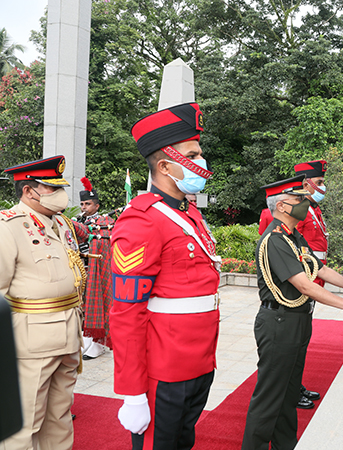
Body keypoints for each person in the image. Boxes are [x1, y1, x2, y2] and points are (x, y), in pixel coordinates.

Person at [242, 175, 343, 450]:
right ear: (283, 206)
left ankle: (286, 444)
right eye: (298, 199)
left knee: (287, 395)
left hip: (296, 321)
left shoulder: (293, 237)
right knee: (270, 397)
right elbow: (304, 284)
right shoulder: (275, 240)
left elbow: (320, 269)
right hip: (278, 323)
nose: (305, 202)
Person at [110, 102, 220, 450]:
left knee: (183, 442)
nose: (202, 162)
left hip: (200, 359)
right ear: (165, 165)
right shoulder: (142, 220)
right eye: (193, 154)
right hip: (165, 368)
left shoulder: (190, 215)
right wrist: (132, 391)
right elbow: (126, 312)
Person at [0, 155, 83, 450]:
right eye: (50, 188)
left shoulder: (60, 223)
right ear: (28, 191)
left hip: (68, 334)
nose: (60, 194)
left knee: (59, 418)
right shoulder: (8, 227)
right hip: (30, 342)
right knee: (24, 424)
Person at [258, 160, 328, 409]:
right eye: (318, 183)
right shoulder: (280, 220)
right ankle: (292, 390)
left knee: (300, 347)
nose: (322, 187)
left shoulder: (312, 211)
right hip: (295, 284)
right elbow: (274, 247)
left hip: (311, 278)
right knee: (285, 357)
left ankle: (295, 387)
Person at [72, 176, 115, 359]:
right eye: (82, 204)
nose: (84, 207)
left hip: (98, 269)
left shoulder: (105, 222)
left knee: (99, 304)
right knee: (83, 308)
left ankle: (98, 343)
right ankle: (86, 341)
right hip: (81, 270)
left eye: (87, 204)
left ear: (96, 206)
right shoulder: (76, 220)